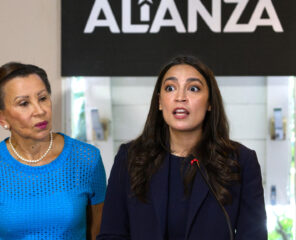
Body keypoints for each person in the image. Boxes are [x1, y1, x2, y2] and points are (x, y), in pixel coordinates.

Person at [97, 56, 267, 240]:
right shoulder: (130, 158)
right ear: (160, 102)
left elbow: (253, 235)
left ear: (210, 102)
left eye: (193, 88)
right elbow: (112, 234)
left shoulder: (241, 161)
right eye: (170, 88)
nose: (180, 97)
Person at [0, 62, 106, 240]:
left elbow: (100, 234)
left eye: (43, 98)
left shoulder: (87, 159)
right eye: (24, 103)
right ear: (1, 117)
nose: (40, 111)